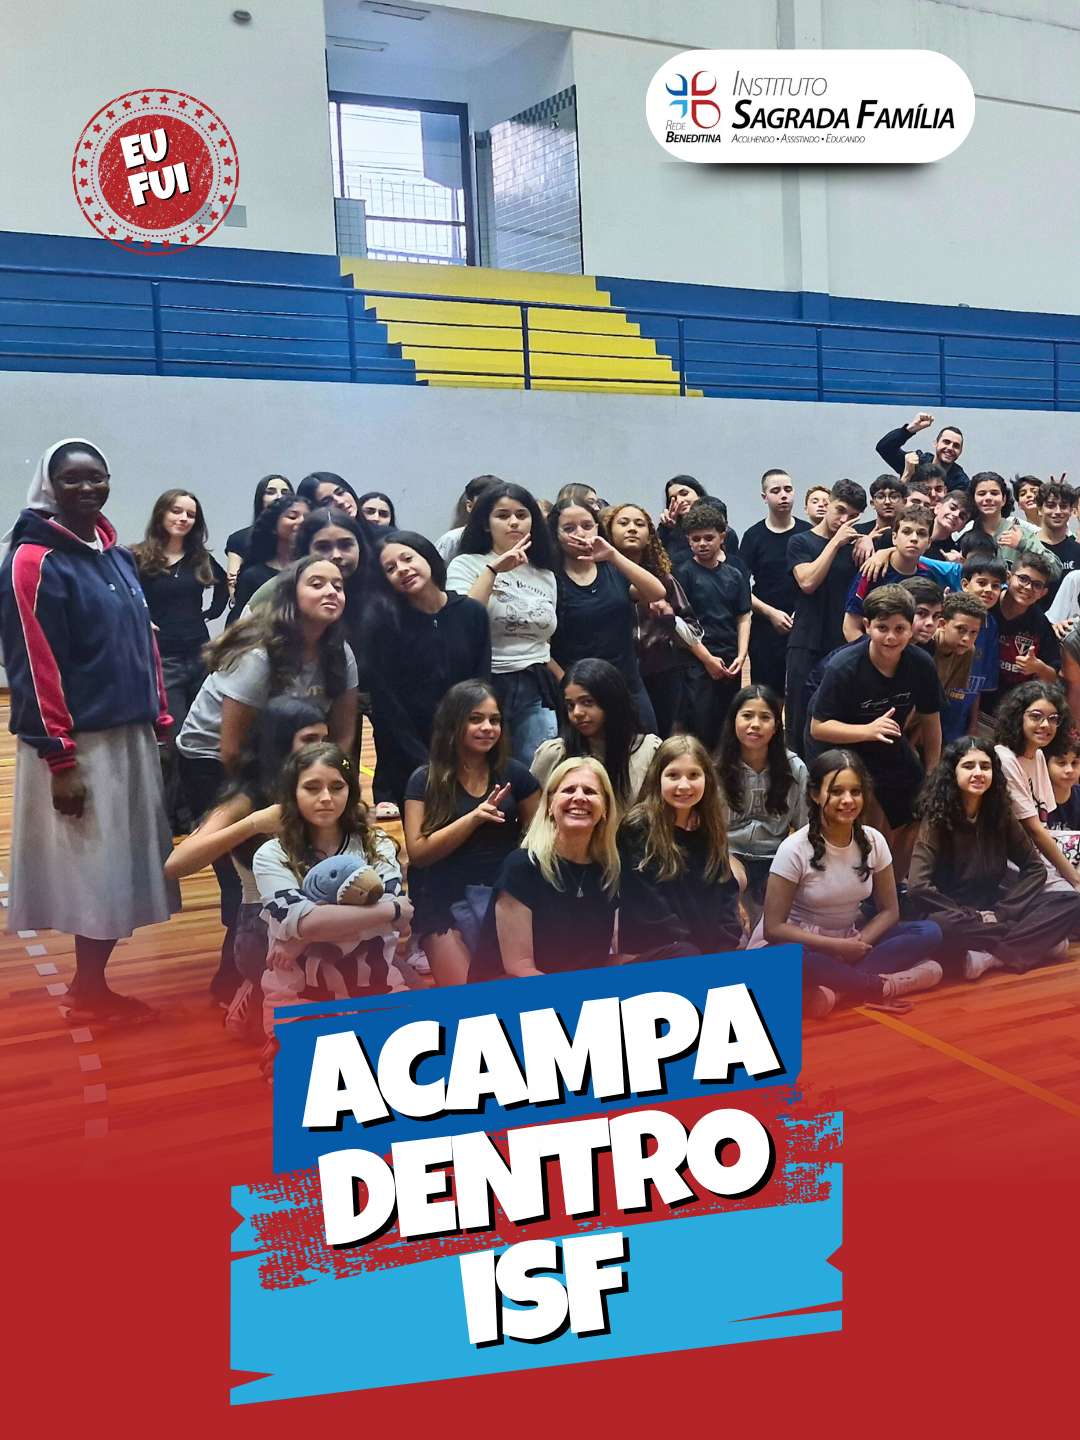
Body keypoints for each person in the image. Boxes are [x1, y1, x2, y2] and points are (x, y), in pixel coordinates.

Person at [0, 438, 179, 1022]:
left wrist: (160, 720)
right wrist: (60, 759)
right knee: (95, 871)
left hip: (128, 735)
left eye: (96, 477)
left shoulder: (115, 555)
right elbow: (33, 663)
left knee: (119, 867)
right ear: (49, 487)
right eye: (72, 479)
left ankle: (91, 987)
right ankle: (89, 991)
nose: (87, 488)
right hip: (80, 745)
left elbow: (144, 643)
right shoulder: (32, 560)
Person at [177, 556, 360, 996]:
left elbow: (343, 734)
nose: (331, 591)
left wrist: (332, 782)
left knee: (289, 861)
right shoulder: (260, 655)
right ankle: (234, 977)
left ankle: (279, 964)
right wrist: (263, 804)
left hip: (287, 756)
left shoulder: (340, 652)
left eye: (338, 585)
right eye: (317, 583)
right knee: (242, 871)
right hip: (215, 759)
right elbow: (232, 749)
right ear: (291, 597)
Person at [164, 697, 328, 1038]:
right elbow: (176, 864)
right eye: (309, 740)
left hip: (316, 916)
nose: (320, 749)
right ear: (280, 743)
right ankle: (256, 990)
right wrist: (252, 824)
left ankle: (259, 994)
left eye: (324, 739)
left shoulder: (323, 788)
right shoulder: (246, 798)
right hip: (263, 925)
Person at [752, 749, 943, 1015]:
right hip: (800, 946)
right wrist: (836, 947)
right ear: (815, 794)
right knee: (797, 959)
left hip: (849, 939)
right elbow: (773, 928)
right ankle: (879, 986)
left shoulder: (874, 840)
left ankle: (836, 989)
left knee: (929, 931)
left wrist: (858, 943)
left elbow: (890, 911)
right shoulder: (794, 848)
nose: (848, 800)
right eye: (836, 791)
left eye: (855, 791)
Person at [402, 680, 541, 986]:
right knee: (468, 1002)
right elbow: (419, 853)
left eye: (495, 720)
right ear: (454, 724)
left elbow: (539, 840)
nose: (488, 728)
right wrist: (474, 818)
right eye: (476, 719)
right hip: (443, 902)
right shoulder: (424, 779)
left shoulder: (516, 775)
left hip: (505, 897)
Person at [253, 743, 411, 1006]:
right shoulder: (272, 854)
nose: (326, 797)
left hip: (380, 987)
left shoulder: (377, 843)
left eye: (337, 787)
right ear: (292, 793)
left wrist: (301, 939)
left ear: (351, 791)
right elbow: (309, 923)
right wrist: (392, 910)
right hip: (297, 997)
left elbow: (387, 925)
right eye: (312, 788)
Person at [908, 738, 1080, 978]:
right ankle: (1035, 943)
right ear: (952, 772)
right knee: (939, 928)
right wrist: (972, 916)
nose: (978, 773)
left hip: (995, 909)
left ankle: (992, 958)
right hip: (957, 915)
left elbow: (1035, 868)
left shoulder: (1001, 814)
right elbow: (918, 886)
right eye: (969, 766)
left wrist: (1003, 912)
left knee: (1071, 901)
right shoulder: (937, 818)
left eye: (985, 766)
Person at [809, 586, 945, 877]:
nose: (891, 637)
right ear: (867, 626)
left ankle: (893, 881)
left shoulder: (921, 664)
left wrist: (933, 770)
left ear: (910, 629)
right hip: (840, 743)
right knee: (867, 809)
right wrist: (867, 730)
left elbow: (931, 719)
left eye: (900, 629)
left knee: (921, 805)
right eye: (882, 628)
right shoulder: (843, 666)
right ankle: (857, 877)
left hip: (886, 739)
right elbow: (818, 728)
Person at [366, 530, 491, 811]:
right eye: (390, 568)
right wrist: (424, 762)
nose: (402, 569)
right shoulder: (383, 626)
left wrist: (467, 746)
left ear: (428, 556)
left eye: (407, 558)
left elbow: (481, 684)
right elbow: (387, 706)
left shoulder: (472, 612)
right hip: (407, 754)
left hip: (466, 746)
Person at [471, 757, 621, 980]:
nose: (579, 797)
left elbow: (604, 957)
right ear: (550, 805)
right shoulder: (521, 866)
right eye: (569, 790)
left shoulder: (609, 871)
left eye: (590, 791)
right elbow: (519, 968)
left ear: (605, 808)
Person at [131, 488, 229, 830]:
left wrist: (210, 614)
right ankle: (174, 816)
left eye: (190, 514)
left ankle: (198, 811)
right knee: (172, 740)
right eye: (176, 511)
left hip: (200, 656)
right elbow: (125, 594)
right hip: (164, 659)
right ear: (161, 513)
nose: (183, 518)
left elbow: (223, 588)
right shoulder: (138, 557)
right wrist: (140, 618)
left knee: (201, 735)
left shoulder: (200, 558)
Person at [446, 483, 560, 764]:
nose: (514, 522)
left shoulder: (545, 573)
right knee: (487, 765)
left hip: (535, 683)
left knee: (538, 764)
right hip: (488, 680)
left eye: (521, 515)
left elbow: (544, 636)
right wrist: (494, 570)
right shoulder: (466, 564)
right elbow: (464, 620)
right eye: (503, 515)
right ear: (486, 524)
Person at [619, 734, 746, 957]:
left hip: (704, 953)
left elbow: (727, 894)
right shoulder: (637, 827)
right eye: (673, 775)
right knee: (685, 953)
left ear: (707, 779)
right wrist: (697, 954)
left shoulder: (710, 825)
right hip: (659, 950)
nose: (684, 785)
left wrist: (724, 946)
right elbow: (647, 906)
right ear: (658, 778)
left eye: (694, 775)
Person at [548, 496, 666, 732]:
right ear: (556, 534)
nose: (580, 533)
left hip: (626, 683)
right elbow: (542, 647)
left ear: (597, 528)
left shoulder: (613, 567)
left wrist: (613, 555)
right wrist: (567, 684)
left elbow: (657, 592)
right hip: (580, 692)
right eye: (569, 528)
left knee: (646, 748)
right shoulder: (549, 577)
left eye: (587, 526)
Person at [784, 478, 867, 757]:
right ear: (828, 503)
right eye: (840, 510)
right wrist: (835, 543)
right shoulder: (800, 541)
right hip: (806, 640)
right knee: (798, 715)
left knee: (837, 712)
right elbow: (807, 582)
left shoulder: (856, 546)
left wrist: (866, 540)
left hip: (842, 642)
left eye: (852, 516)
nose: (843, 520)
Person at [604, 501, 700, 738]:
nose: (632, 528)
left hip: (662, 672)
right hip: (614, 672)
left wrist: (669, 617)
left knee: (659, 739)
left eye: (639, 524)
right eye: (623, 523)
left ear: (649, 536)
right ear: (609, 533)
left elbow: (694, 633)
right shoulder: (598, 578)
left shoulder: (663, 580)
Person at [715, 684, 808, 921]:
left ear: (776, 726)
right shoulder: (715, 770)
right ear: (733, 721)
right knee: (732, 885)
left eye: (765, 717)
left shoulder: (795, 769)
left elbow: (806, 828)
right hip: (729, 853)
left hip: (776, 856)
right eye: (747, 716)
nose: (755, 724)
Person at [674, 501, 752, 749]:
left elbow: (743, 616)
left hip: (729, 658)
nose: (702, 544)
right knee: (701, 725)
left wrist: (741, 655)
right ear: (688, 540)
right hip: (697, 660)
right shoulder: (683, 574)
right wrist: (707, 659)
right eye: (696, 539)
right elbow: (678, 623)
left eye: (709, 538)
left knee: (728, 724)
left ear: (722, 537)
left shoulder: (734, 575)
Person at [531, 658, 662, 807]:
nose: (577, 712)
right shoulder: (554, 754)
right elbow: (535, 813)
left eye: (587, 702)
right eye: (570, 705)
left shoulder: (648, 751)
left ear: (612, 702)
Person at [994, 680, 1080, 893]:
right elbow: (1034, 830)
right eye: (1036, 716)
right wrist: (1076, 881)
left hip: (1038, 854)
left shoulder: (1038, 755)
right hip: (1012, 861)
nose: (1045, 725)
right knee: (1072, 899)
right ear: (1018, 717)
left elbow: (1044, 823)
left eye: (1053, 719)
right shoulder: (1004, 758)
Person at [738, 469, 811, 698]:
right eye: (776, 491)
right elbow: (740, 587)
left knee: (803, 692)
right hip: (765, 627)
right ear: (764, 497)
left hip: (803, 623)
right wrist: (770, 613)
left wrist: (801, 613)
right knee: (767, 694)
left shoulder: (807, 532)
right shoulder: (753, 536)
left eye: (788, 489)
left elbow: (815, 580)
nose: (783, 495)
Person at [979, 554, 1060, 721]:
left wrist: (1039, 668)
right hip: (971, 701)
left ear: (1043, 593)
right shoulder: (986, 603)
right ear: (1009, 577)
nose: (1028, 587)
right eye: (1023, 579)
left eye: (1037, 585)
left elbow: (1053, 677)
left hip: (1011, 714)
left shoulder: (1041, 624)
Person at [843, 504, 935, 640]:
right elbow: (850, 627)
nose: (914, 538)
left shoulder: (927, 576)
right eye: (907, 531)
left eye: (921, 533)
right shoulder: (872, 570)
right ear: (894, 537)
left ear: (929, 542)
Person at [230, 493, 310, 616]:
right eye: (292, 517)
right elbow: (240, 620)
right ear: (273, 526)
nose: (302, 521)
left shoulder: (316, 568)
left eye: (308, 517)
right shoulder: (253, 575)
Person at [967, 470, 1059, 577]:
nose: (988, 498)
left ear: (1004, 499)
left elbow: (1055, 570)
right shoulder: (966, 536)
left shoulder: (1020, 534)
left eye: (994, 493)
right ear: (973, 499)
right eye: (981, 494)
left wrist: (1023, 544)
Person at [932, 592, 990, 742]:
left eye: (973, 632)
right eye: (961, 629)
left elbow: (936, 704)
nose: (966, 639)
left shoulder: (968, 651)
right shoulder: (926, 645)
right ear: (942, 624)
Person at [225, 474, 292, 599]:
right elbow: (233, 591)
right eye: (270, 492)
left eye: (285, 492)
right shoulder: (240, 538)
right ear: (260, 499)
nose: (279, 496)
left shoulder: (302, 539)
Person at [657, 474, 741, 565]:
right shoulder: (668, 531)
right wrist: (665, 528)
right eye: (673, 498)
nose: (680, 500)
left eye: (684, 494)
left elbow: (734, 565)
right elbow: (654, 558)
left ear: (699, 495)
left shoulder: (726, 532)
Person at [875, 411, 969, 490]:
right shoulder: (915, 463)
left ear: (960, 452)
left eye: (956, 446)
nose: (950, 448)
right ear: (935, 443)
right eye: (946, 442)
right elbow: (884, 448)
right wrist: (909, 429)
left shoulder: (961, 482)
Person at [1035, 478, 1080, 606]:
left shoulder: (1077, 550)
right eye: (1051, 506)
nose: (1058, 511)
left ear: (1071, 511)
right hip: (1031, 618)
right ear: (1039, 509)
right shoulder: (1027, 546)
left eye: (1064, 506)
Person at [436, 474, 501, 562]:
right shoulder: (452, 539)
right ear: (469, 506)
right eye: (484, 503)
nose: (491, 508)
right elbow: (437, 569)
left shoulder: (510, 535)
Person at [854, 474, 908, 556]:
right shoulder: (858, 532)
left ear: (904, 502)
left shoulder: (911, 532)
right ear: (872, 503)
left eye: (894, 497)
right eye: (880, 497)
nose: (887, 502)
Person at [925, 488, 971, 561]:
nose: (956, 515)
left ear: (962, 527)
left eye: (962, 516)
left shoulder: (954, 555)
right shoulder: (912, 530)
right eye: (952, 508)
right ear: (937, 508)